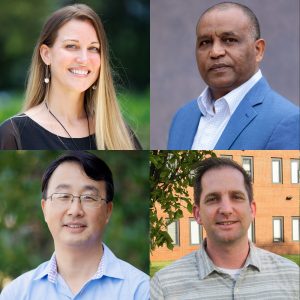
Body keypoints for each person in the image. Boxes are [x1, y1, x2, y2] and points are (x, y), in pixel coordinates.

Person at [0, 151, 149, 299]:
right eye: (63, 196)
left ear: (108, 211)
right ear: (45, 209)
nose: (75, 210)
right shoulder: (16, 294)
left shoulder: (141, 291)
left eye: (89, 197)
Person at [151, 157, 299, 299]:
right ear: (198, 214)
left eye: (236, 197)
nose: (226, 209)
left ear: (252, 209)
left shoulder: (293, 277)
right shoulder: (164, 287)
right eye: (213, 199)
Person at [0, 4, 141, 150]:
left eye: (93, 48)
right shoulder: (12, 135)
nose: (84, 59)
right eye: (71, 46)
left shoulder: (120, 135)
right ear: (46, 54)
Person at [167, 2, 299, 150]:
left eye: (229, 40)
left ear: (258, 50)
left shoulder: (286, 120)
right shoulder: (182, 118)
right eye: (205, 42)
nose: (215, 52)